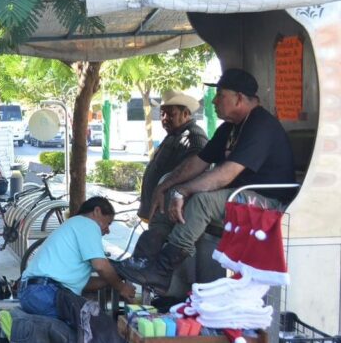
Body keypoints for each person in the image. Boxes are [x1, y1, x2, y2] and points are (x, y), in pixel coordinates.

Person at [117, 69, 296, 293]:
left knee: (202, 200)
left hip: (267, 200)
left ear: (238, 98)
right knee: (171, 190)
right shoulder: (229, 128)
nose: (214, 101)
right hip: (238, 195)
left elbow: (226, 173)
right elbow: (198, 162)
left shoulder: (261, 125)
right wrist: (165, 187)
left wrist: (184, 190)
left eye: (220, 95)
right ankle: (144, 260)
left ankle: (161, 270)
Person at [19, 197, 145, 343]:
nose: (106, 231)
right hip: (44, 292)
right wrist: (120, 286)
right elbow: (101, 265)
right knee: (102, 329)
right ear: (97, 211)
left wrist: (111, 281)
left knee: (92, 326)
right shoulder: (85, 224)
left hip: (39, 291)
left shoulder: (72, 227)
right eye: (107, 223)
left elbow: (85, 282)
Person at [125, 90, 209, 263]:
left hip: (169, 211)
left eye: (171, 114)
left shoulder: (193, 135)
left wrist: (165, 187)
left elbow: (198, 162)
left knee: (155, 254)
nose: (165, 118)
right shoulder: (174, 135)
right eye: (162, 114)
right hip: (159, 209)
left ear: (186, 113)